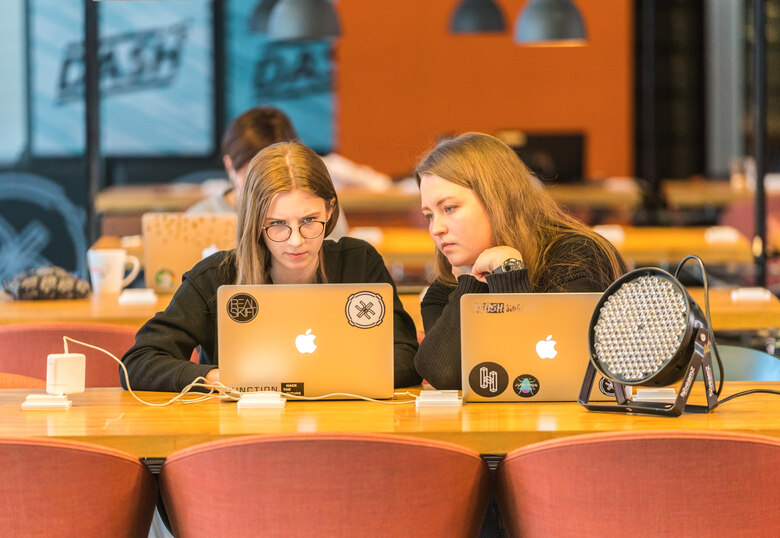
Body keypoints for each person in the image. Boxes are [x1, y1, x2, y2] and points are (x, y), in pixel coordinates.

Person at [122, 141, 421, 391]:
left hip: (340, 425)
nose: (296, 241)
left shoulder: (359, 263)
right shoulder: (216, 277)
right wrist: (217, 378)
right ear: (254, 221)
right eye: (277, 224)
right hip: (242, 431)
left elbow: (406, 357)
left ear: (330, 210)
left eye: (309, 221)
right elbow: (138, 362)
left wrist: (324, 376)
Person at [414, 132, 627, 389]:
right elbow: (445, 375)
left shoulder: (575, 256)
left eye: (449, 208)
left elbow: (536, 375)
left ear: (496, 200)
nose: (436, 228)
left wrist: (508, 275)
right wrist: (471, 284)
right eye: (429, 215)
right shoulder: (450, 282)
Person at [187, 106, 350, 239]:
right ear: (230, 166)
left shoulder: (319, 211)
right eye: (250, 174)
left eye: (274, 174)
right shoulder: (197, 220)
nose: (264, 187)